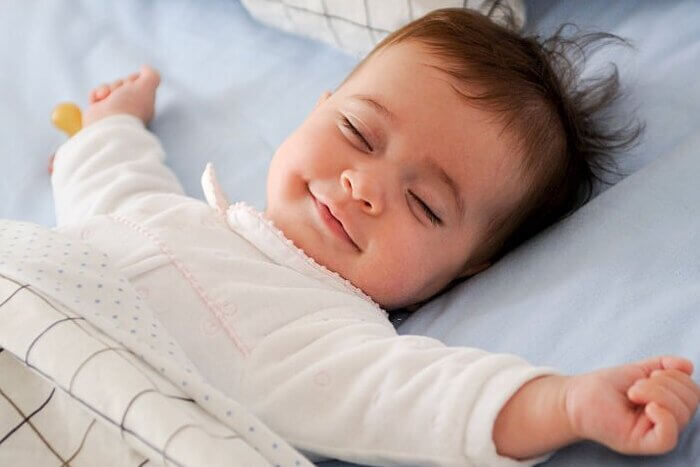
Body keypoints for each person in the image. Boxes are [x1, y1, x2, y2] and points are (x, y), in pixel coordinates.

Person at [50, 8, 699, 467]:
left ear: (471, 266)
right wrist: (109, 128)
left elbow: (424, 400)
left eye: (423, 203)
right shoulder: (171, 218)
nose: (364, 185)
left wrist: (568, 402)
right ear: (318, 106)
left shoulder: (320, 337)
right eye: (357, 132)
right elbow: (112, 190)